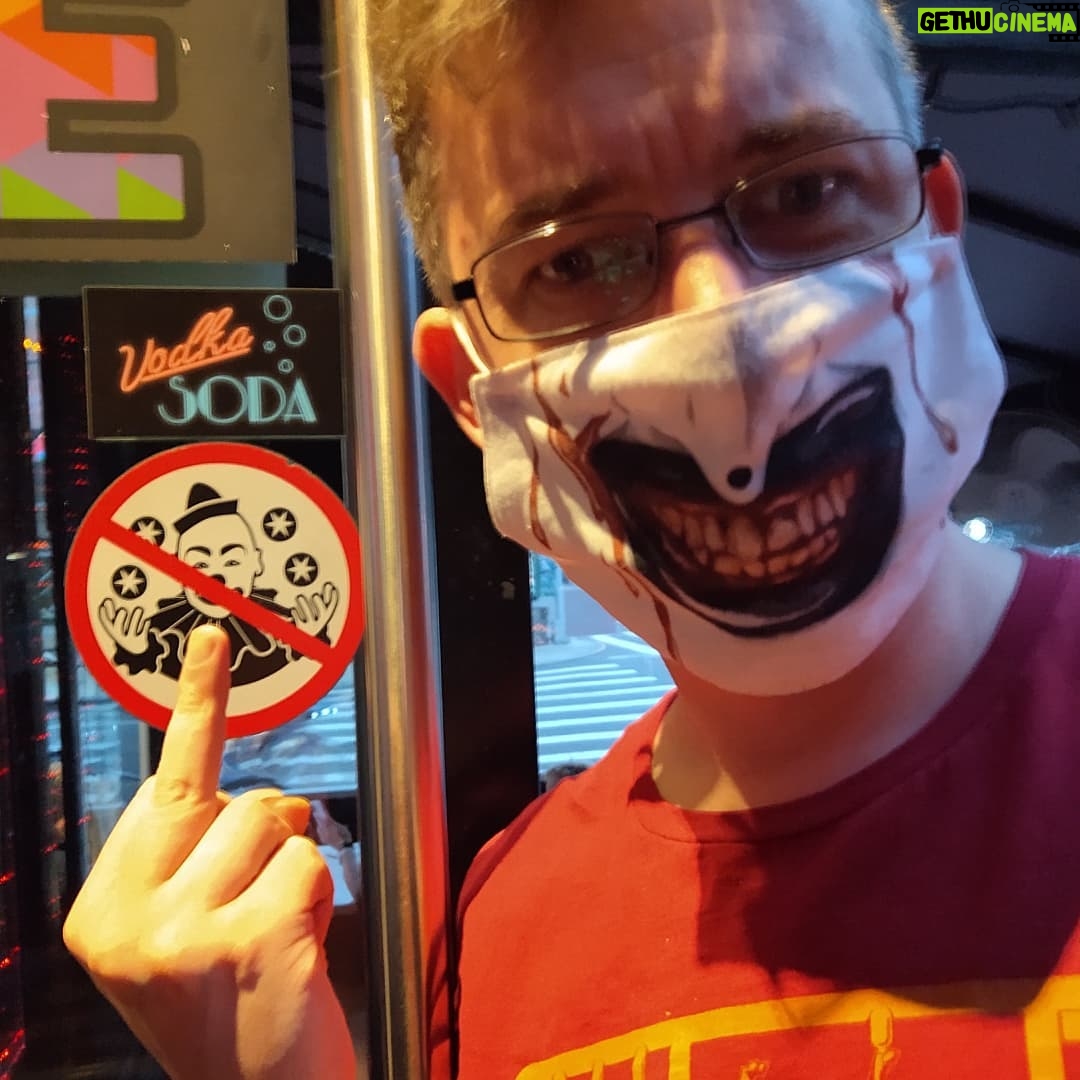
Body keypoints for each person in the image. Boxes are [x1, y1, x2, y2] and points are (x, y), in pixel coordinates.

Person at [61, 0, 1080, 1076]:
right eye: (579, 262)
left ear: (936, 221)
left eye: (805, 192)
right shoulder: (502, 934)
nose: (725, 348)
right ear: (468, 391)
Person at [99, 482, 339, 685]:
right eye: (199, 565)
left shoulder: (285, 622)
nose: (216, 578)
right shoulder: (160, 630)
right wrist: (137, 652)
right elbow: (158, 679)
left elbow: (284, 672)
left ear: (256, 562)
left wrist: (308, 640)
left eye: (232, 561)